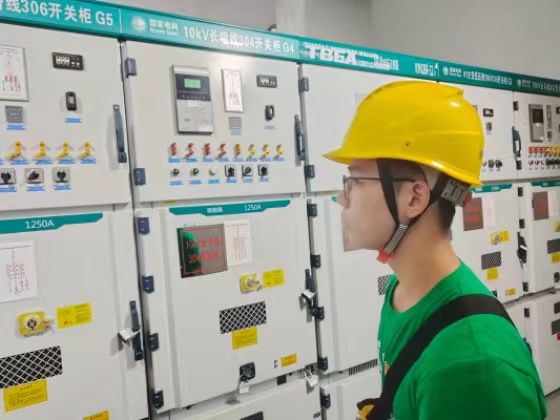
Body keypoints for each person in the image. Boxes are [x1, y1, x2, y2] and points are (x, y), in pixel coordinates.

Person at [324, 81, 547, 419]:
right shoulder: (402, 293)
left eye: (354, 182)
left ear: (414, 198)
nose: (343, 198)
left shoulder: (472, 365)